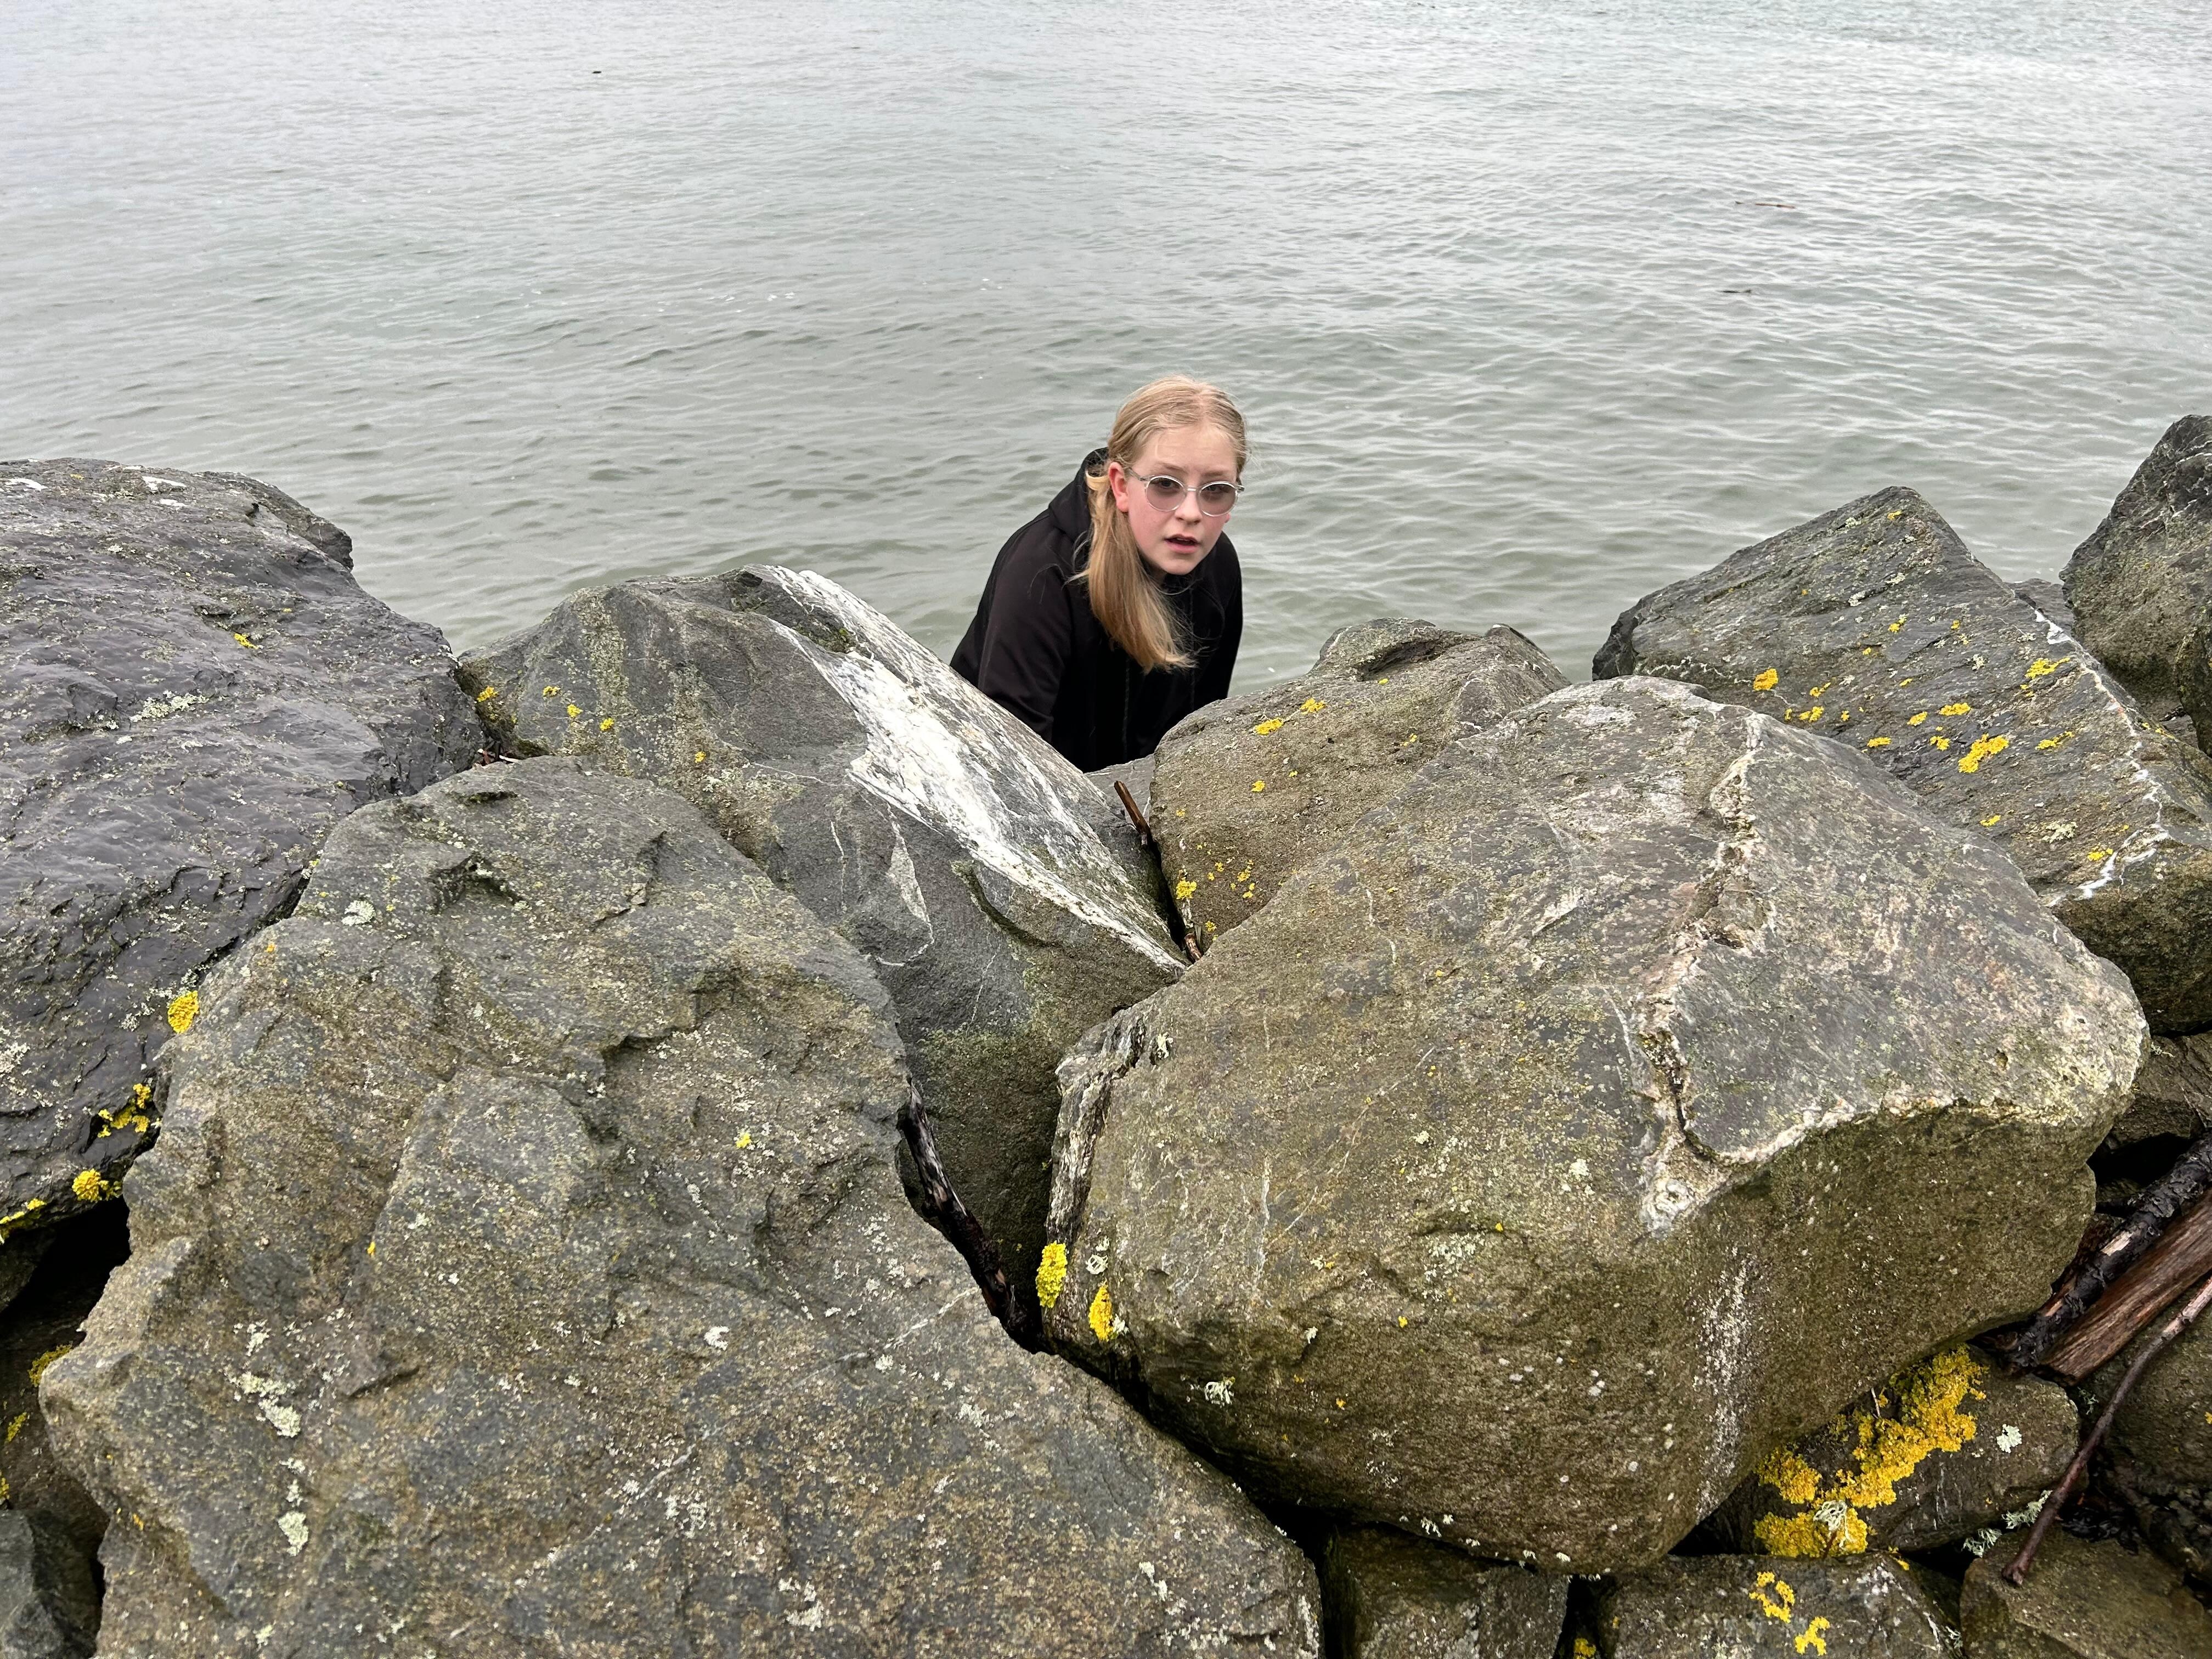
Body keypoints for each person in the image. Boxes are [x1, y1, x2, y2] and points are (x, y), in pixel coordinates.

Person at [951, 376, 1244, 771]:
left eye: (1215, 490)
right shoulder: (1042, 575)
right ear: (1121, 485)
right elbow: (1010, 765)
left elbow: (1200, 732)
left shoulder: (1218, 567)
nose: (1191, 513)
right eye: (1165, 485)